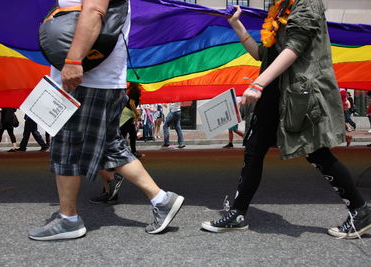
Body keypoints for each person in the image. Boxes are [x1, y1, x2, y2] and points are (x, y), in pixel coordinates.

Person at [201, 1, 371, 239]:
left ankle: (360, 210)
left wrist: (258, 84)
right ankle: (238, 214)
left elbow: (294, 48)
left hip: (297, 94)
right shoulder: (280, 8)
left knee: (316, 152)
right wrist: (236, 25)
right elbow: (264, 54)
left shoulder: (308, 3)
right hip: (275, 92)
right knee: (253, 150)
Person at [28, 0, 184, 241]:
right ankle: (162, 200)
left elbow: (94, 10)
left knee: (67, 147)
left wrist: (73, 61)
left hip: (88, 79)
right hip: (99, 79)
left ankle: (68, 219)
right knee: (109, 147)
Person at [119, 82, 144, 158]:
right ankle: (126, 152)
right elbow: (132, 103)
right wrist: (137, 114)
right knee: (127, 134)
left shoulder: (130, 89)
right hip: (127, 114)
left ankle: (130, 152)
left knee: (129, 133)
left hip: (127, 113)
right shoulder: (135, 90)